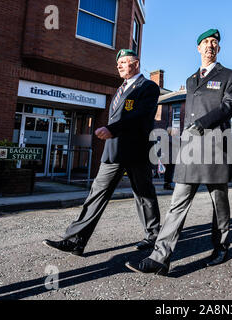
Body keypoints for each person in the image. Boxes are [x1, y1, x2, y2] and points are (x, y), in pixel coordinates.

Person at [126, 29, 232, 275]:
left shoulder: (230, 76)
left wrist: (202, 124)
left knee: (219, 203)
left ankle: (221, 247)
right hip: (190, 150)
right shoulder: (191, 80)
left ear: (218, 49)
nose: (210, 46)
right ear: (198, 48)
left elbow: (229, 106)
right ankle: (160, 257)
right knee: (177, 204)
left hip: (214, 148)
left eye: (215, 43)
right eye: (206, 42)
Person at [43, 49, 161, 255]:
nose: (120, 66)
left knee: (144, 195)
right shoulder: (120, 89)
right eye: (118, 63)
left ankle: (153, 237)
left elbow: (142, 116)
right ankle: (76, 241)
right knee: (96, 195)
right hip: (113, 152)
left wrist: (112, 130)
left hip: (136, 151)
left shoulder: (148, 87)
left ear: (136, 63)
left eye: (124, 62)